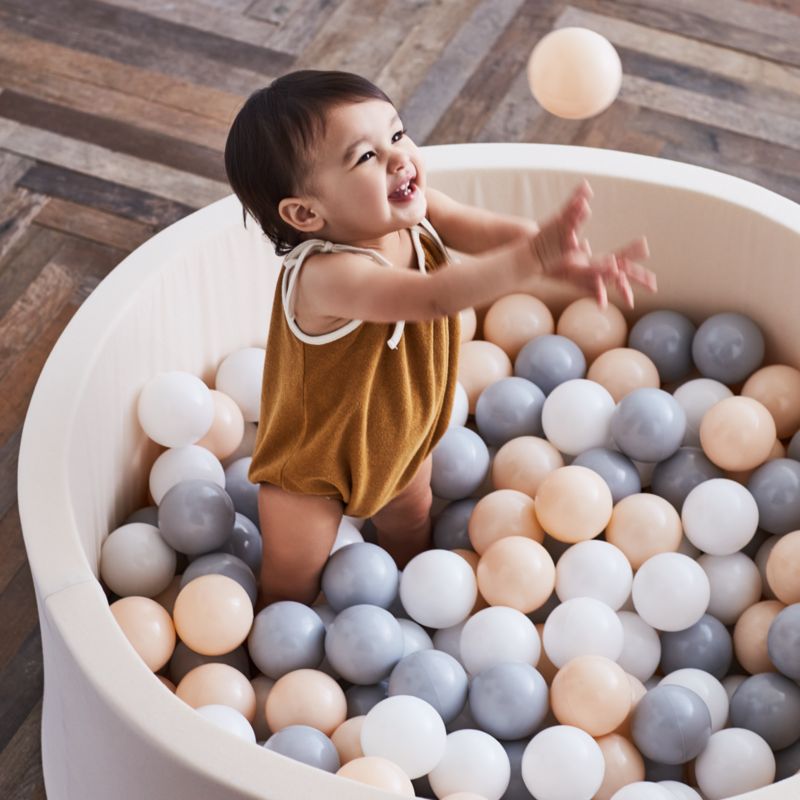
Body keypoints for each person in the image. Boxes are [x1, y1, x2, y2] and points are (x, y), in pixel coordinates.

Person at [224, 70, 656, 607]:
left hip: (399, 434)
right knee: (291, 583)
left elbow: (496, 231)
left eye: (398, 135)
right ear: (307, 213)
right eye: (366, 157)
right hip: (313, 467)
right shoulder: (327, 276)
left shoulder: (417, 213)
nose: (399, 159)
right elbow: (435, 297)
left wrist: (561, 260)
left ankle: (420, 611)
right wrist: (532, 259)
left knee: (413, 523)